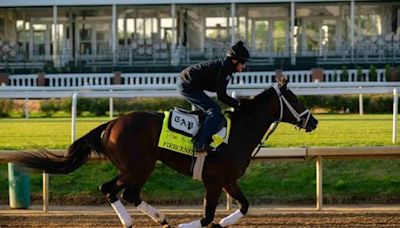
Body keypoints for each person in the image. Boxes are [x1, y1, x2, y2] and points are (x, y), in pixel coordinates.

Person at [177, 40, 250, 153]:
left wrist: (238, 104)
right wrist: (239, 104)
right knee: (214, 110)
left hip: (190, 84)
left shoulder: (227, 67)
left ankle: (202, 138)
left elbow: (221, 94)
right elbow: (221, 96)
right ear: (235, 60)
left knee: (213, 110)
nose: (244, 66)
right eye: (243, 63)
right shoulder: (226, 68)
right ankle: (200, 144)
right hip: (187, 84)